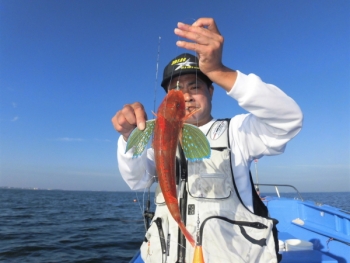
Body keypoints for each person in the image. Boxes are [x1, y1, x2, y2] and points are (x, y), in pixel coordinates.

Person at [112, 18, 303, 263]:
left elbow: (289, 119)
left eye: (195, 87)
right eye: (176, 91)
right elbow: (137, 180)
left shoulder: (237, 131)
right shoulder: (156, 138)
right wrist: (130, 136)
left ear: (211, 91)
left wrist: (218, 71)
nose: (186, 96)